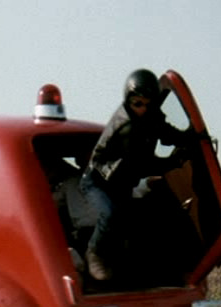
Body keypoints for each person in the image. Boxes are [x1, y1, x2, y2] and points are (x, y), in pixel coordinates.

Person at [80, 68, 197, 281]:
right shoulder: (126, 128)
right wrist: (172, 162)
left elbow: (165, 132)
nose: (142, 109)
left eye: (147, 103)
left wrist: (190, 138)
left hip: (121, 179)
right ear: (129, 102)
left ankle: (130, 270)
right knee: (110, 214)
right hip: (99, 180)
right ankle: (94, 254)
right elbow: (143, 164)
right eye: (137, 103)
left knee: (135, 222)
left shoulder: (150, 117)